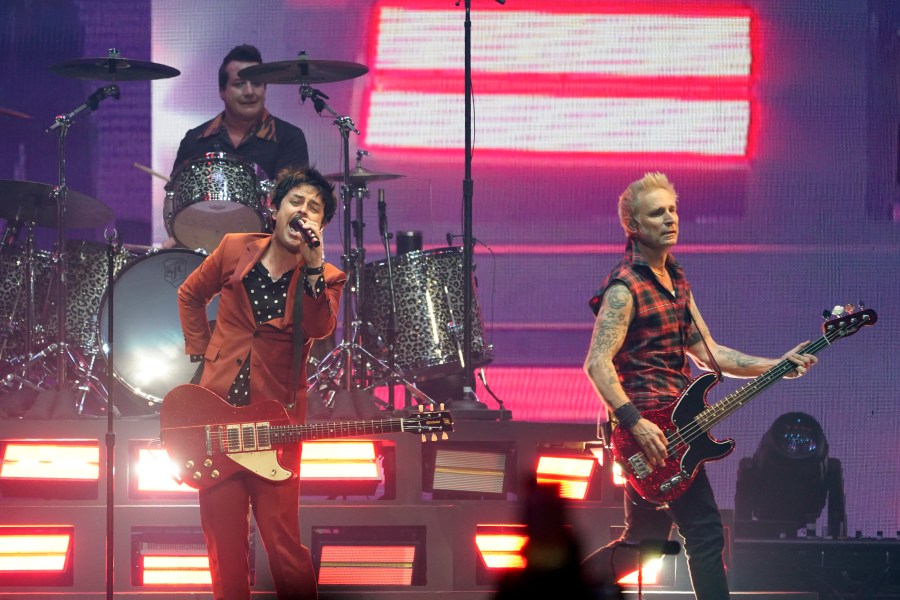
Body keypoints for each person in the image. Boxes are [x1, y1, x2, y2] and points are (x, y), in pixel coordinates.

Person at [581, 172, 817, 599]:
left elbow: (711, 355)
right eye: (657, 213)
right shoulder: (624, 289)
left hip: (677, 427)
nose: (670, 219)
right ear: (634, 225)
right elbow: (597, 365)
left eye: (673, 209)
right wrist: (636, 424)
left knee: (645, 544)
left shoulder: (676, 281)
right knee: (705, 532)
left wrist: (778, 364)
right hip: (649, 430)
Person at [177, 165, 346, 600]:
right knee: (224, 545)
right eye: (296, 202)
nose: (303, 212)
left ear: (321, 226)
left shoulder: (327, 277)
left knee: (282, 540)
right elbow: (190, 295)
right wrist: (202, 353)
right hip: (217, 417)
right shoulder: (235, 248)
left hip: (276, 422)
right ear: (275, 208)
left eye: (315, 210)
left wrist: (311, 267)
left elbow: (318, 327)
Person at [164, 44, 310, 247]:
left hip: (269, 254)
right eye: (239, 84)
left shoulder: (289, 138)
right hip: (204, 250)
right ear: (222, 91)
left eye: (257, 84)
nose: (249, 92)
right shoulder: (195, 140)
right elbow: (174, 201)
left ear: (265, 88)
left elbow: (294, 206)